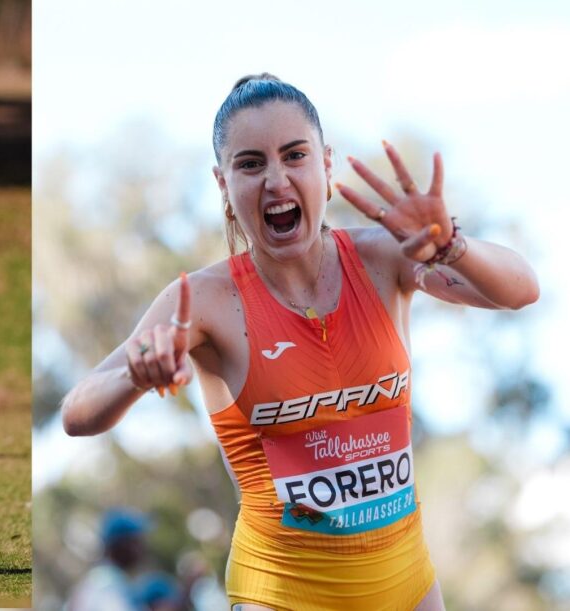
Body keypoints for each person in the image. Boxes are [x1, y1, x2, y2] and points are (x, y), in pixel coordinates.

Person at [61, 74, 540, 610]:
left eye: (294, 155)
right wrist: (135, 373)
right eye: (250, 164)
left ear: (326, 164)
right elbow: (78, 412)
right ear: (223, 183)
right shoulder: (204, 299)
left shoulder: (387, 258)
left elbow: (521, 289)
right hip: (281, 596)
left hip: (409, 587)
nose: (276, 180)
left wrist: (450, 245)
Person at [67, 508, 151, 611]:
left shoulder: (105, 579)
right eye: (136, 541)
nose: (142, 547)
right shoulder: (106, 583)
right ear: (122, 545)